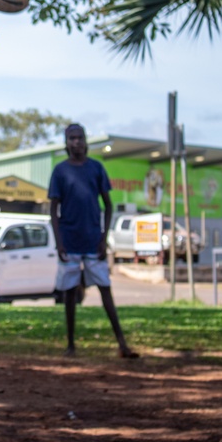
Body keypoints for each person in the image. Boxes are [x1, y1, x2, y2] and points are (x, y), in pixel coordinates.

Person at [48, 124, 138, 359]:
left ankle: (122, 343)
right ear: (66, 142)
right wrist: (59, 243)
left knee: (105, 289)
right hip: (69, 240)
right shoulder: (60, 171)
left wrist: (103, 237)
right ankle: (70, 345)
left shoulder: (96, 168)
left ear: (86, 141)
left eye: (80, 138)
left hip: (92, 241)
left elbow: (108, 205)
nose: (76, 142)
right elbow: (53, 210)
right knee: (69, 293)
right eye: (72, 138)